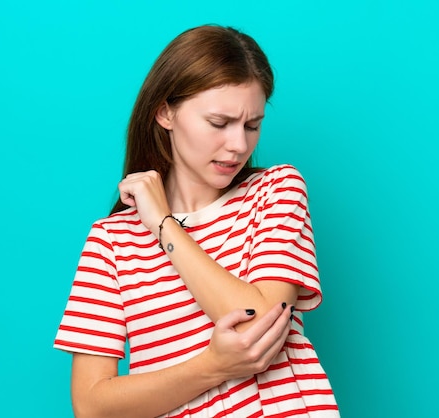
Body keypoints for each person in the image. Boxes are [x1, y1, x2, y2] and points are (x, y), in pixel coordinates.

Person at [54, 24, 339, 417]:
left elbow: (255, 328)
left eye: (252, 125)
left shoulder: (275, 191)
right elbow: (91, 405)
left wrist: (163, 224)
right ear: (165, 112)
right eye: (219, 123)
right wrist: (211, 366)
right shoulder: (111, 241)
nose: (239, 144)